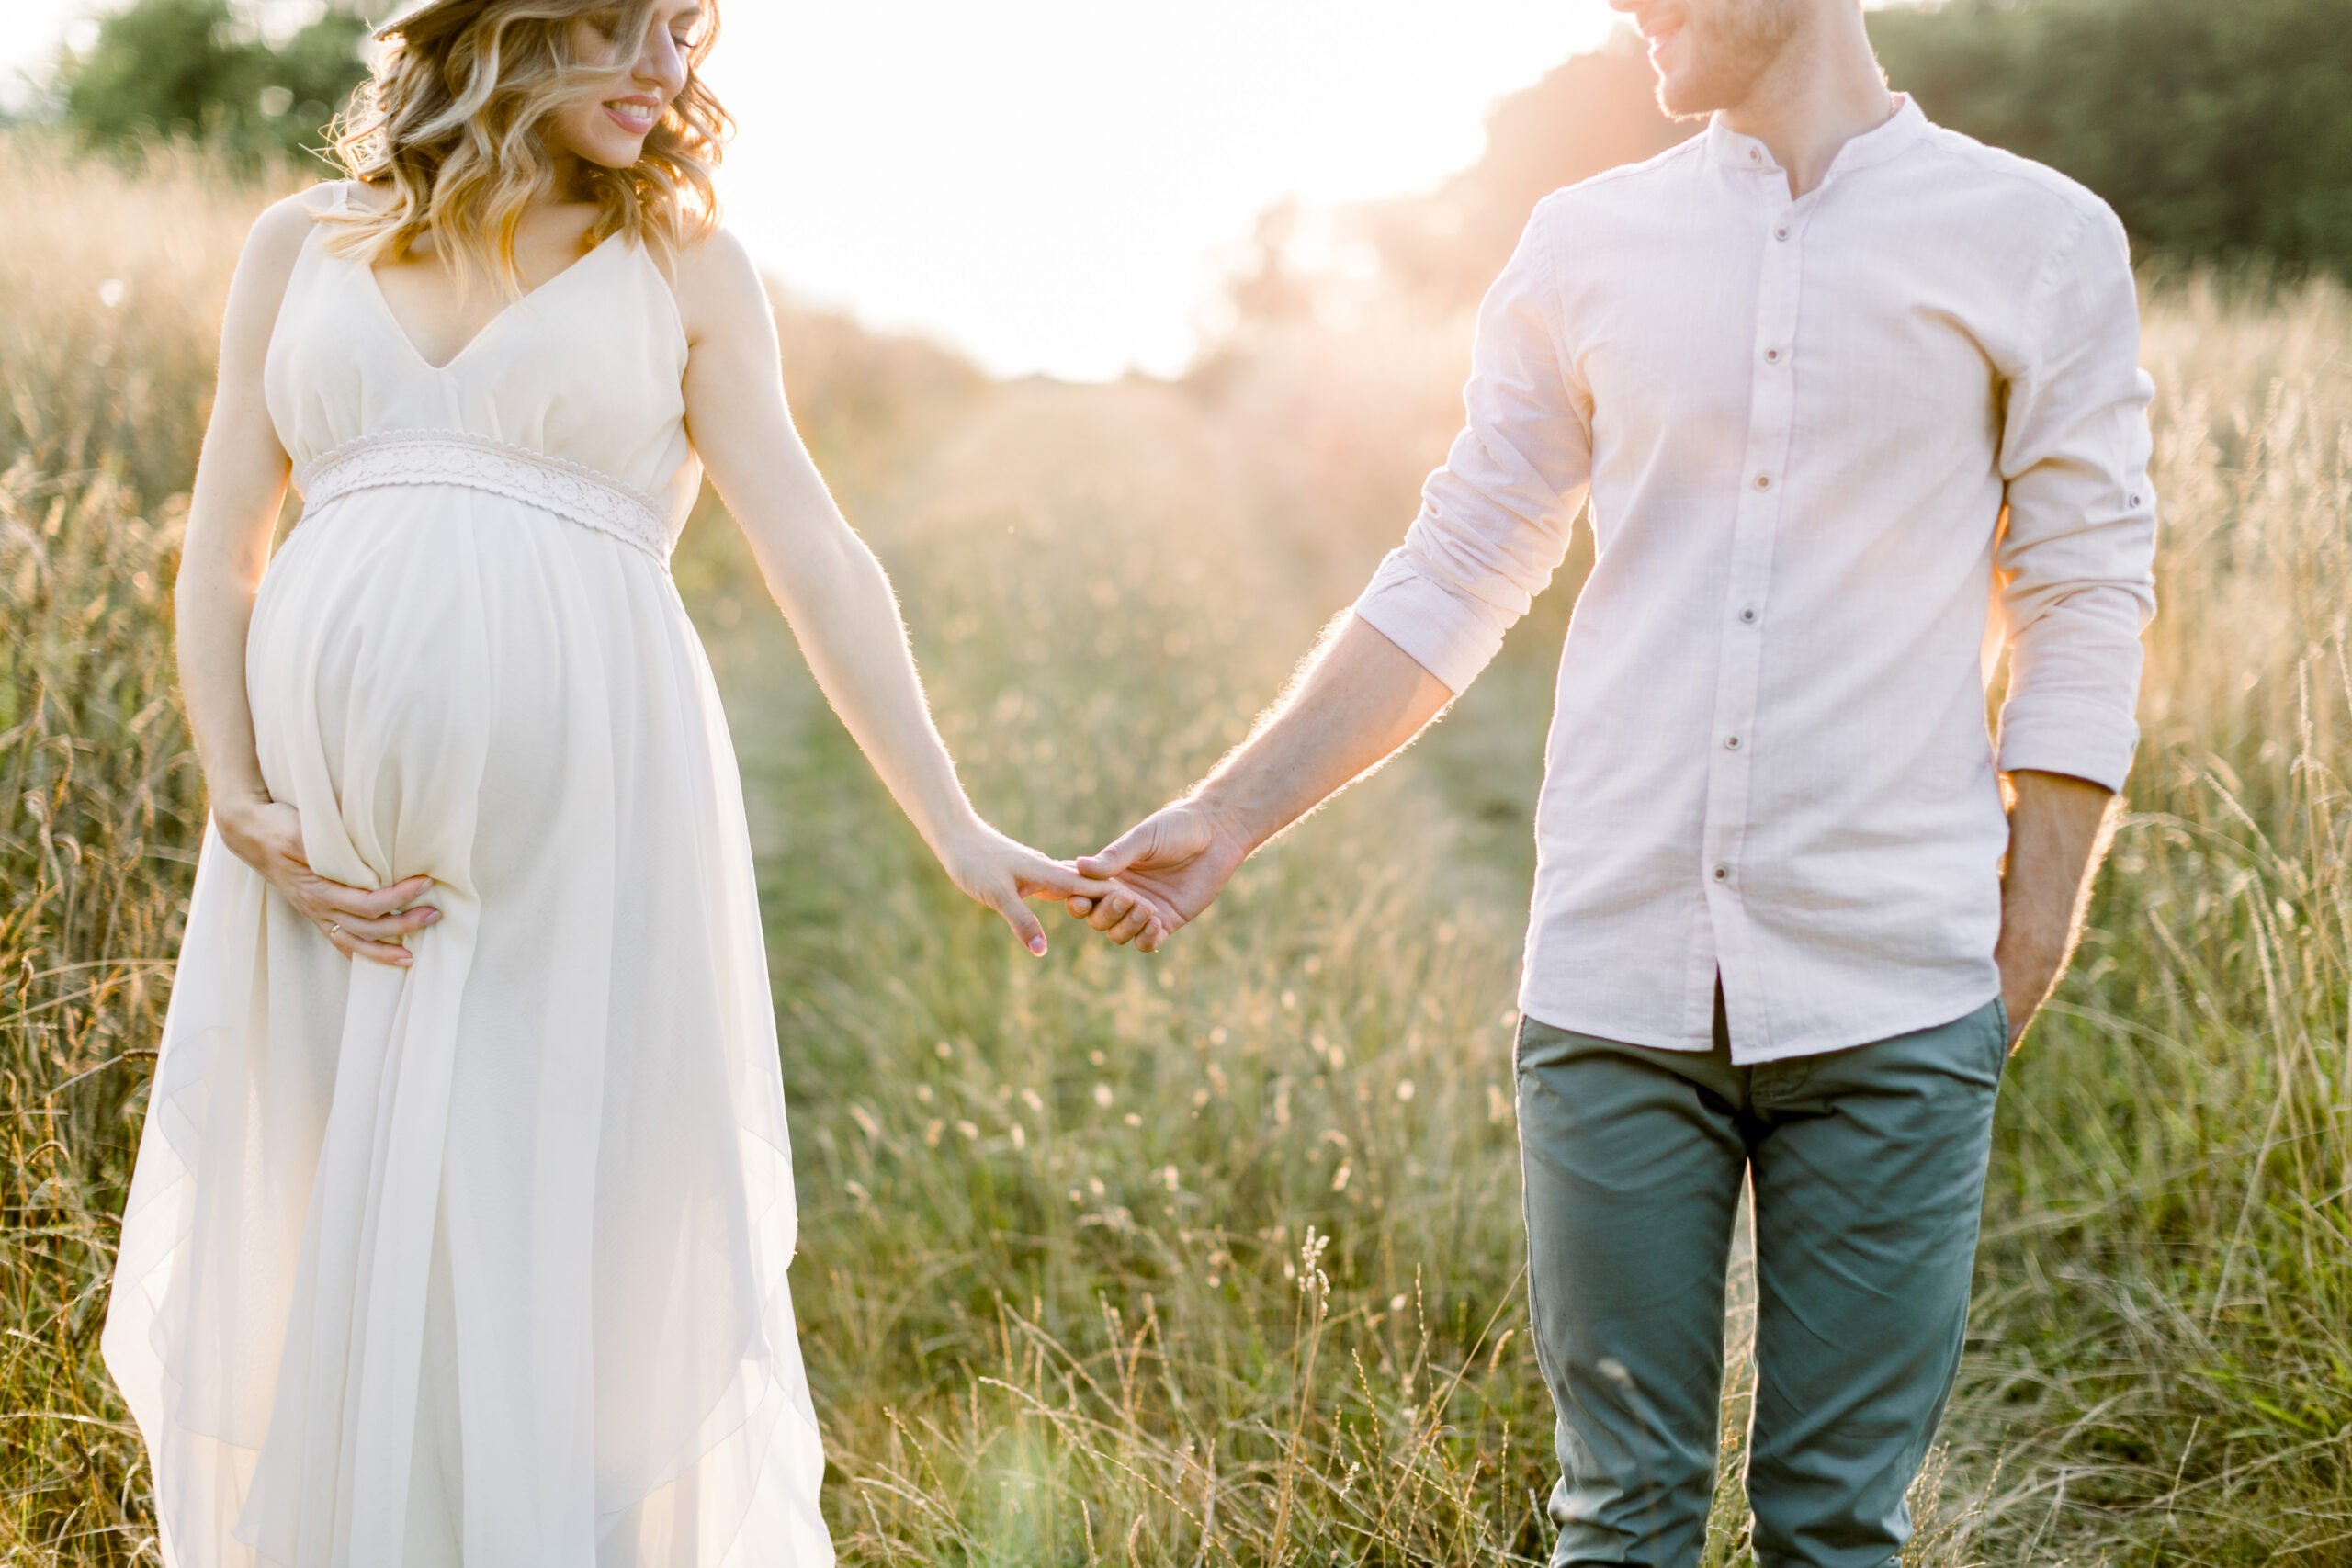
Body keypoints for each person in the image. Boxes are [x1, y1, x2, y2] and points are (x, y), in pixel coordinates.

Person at [1062, 0, 2159, 1562]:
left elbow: (2086, 586)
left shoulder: (2038, 239)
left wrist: (2028, 934)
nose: (1630, 6)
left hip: (1899, 993)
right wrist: (1230, 813)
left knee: (1838, 1530)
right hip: (1615, 983)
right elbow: (1458, 563)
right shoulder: (1585, 243)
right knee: (1618, 1519)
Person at [97, 2, 1150, 1562]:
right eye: (623, 24)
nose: (669, 70)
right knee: (338, 1228)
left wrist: (954, 819)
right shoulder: (298, 245)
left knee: (550, 1233)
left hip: (586, 840)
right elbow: (222, 552)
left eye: (685, 34)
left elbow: (812, 549)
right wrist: (240, 800)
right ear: (501, 25)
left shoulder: (685, 267)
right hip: (322, 872)